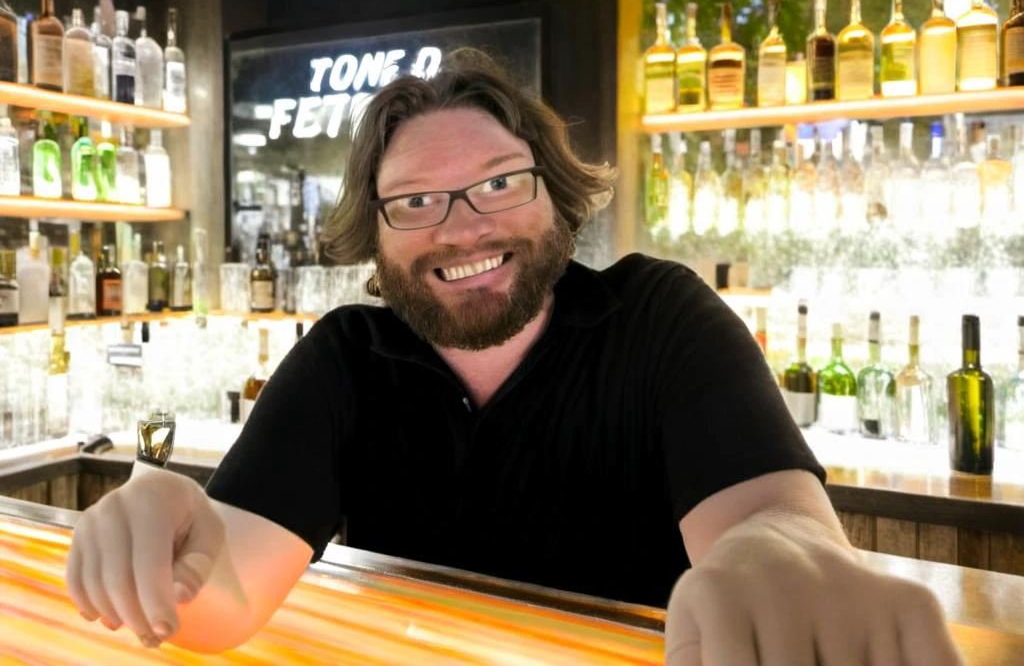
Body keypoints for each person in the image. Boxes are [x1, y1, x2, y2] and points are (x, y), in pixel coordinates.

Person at [67, 50, 962, 665]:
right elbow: (226, 592)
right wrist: (166, 543)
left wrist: (780, 551)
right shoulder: (345, 358)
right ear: (373, 240)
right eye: (413, 201)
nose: (461, 227)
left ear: (557, 201)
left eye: (499, 183)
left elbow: (770, 513)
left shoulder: (660, 317)